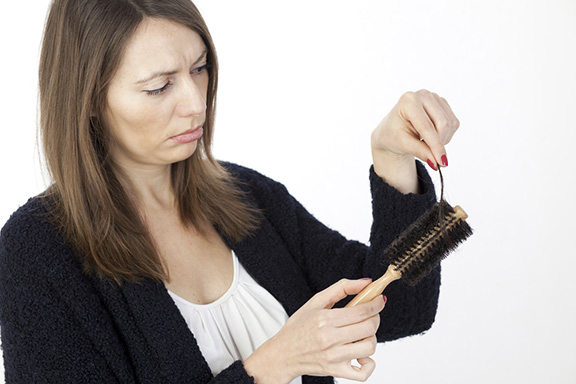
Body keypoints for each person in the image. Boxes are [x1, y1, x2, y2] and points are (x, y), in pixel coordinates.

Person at [0, 0, 459, 383]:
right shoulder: (36, 253)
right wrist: (271, 365)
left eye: (199, 69)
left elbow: (402, 308)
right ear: (88, 102)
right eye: (159, 87)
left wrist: (392, 159)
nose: (197, 103)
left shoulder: (245, 197)